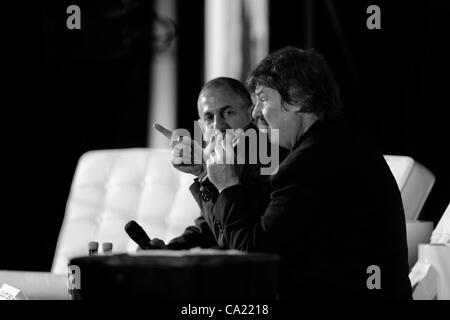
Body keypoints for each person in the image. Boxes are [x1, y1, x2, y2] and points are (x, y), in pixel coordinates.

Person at [204, 47, 412, 299]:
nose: (255, 113)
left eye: (262, 99)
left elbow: (254, 256)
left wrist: (227, 184)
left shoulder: (309, 162)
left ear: (295, 99)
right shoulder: (337, 141)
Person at [152, 77, 284, 250]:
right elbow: (211, 228)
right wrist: (169, 250)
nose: (218, 125)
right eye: (208, 117)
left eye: (228, 113)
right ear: (201, 126)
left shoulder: (271, 158)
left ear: (250, 113)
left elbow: (239, 241)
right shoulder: (219, 161)